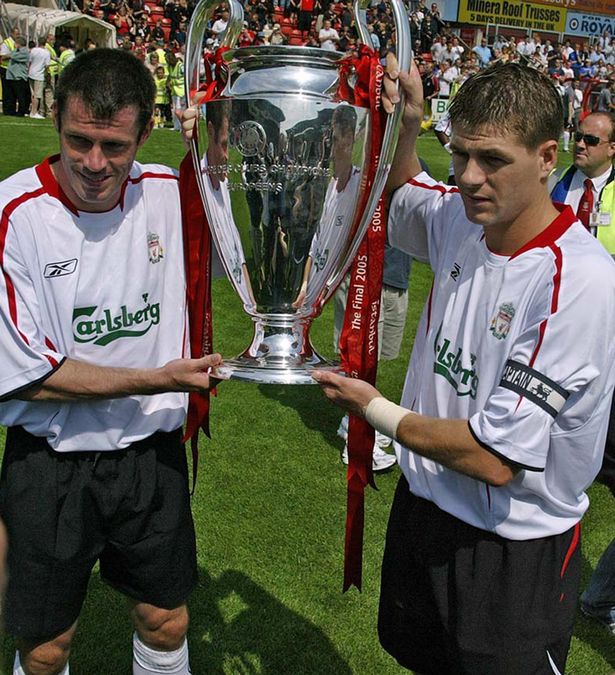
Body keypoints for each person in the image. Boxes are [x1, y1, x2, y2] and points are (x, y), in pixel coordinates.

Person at [314, 61, 615, 674]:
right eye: (459, 155)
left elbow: (494, 459)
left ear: (545, 156)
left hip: (511, 545)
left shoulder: (578, 282)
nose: (470, 178)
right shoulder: (462, 217)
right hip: (425, 509)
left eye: (493, 160)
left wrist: (371, 408)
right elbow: (403, 193)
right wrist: (409, 124)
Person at [0, 48, 220, 675]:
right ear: (54, 121)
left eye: (115, 146)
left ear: (146, 133)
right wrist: (158, 378)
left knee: (165, 618)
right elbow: (31, 378)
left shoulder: (170, 194)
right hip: (49, 465)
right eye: (79, 141)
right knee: (45, 648)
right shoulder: (13, 215)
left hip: (149, 457)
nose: (95, 164)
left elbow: (265, 181)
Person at [549, 112, 615, 256]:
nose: (580, 144)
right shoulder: (551, 180)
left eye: (590, 140)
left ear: (612, 148)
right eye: (578, 137)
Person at [4, 36, 29, 117]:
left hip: (19, 77)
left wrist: (9, 54)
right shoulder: (16, 51)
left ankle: (21, 111)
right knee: (10, 95)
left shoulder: (25, 52)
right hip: (11, 76)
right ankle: (10, 110)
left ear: (18, 44)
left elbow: (12, 56)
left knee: (20, 95)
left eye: (15, 43)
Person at [28, 36, 51, 119]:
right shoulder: (46, 52)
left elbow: (29, 62)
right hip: (39, 75)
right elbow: (47, 66)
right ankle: (34, 112)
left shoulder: (33, 50)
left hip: (31, 73)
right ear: (45, 43)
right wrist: (48, 74)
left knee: (33, 94)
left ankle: (32, 112)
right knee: (37, 95)